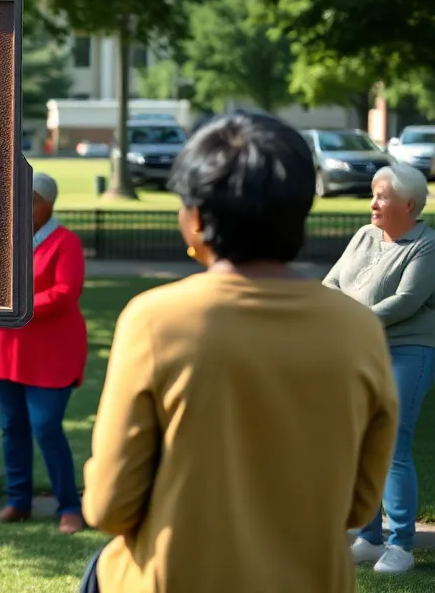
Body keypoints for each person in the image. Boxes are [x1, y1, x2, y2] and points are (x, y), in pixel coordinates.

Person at [81, 112, 398, 593]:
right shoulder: (357, 329)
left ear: (198, 218)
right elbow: (358, 504)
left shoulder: (156, 321)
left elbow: (108, 505)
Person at [324, 162, 435, 575]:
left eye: (381, 196)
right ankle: (370, 538)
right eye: (373, 194)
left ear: (408, 203)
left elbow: (405, 301)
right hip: (359, 352)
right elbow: (330, 284)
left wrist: (349, 318)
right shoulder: (364, 236)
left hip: (408, 352)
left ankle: (401, 546)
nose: (373, 204)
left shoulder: (426, 245)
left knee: (391, 445)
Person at [0, 172, 86, 533]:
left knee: (46, 428)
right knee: (12, 427)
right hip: (5, 349)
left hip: (50, 353)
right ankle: (18, 502)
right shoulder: (4, 238)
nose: (24, 206)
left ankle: (70, 506)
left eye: (33, 199)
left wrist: (17, 305)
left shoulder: (65, 242)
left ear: (49, 204)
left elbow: (64, 293)